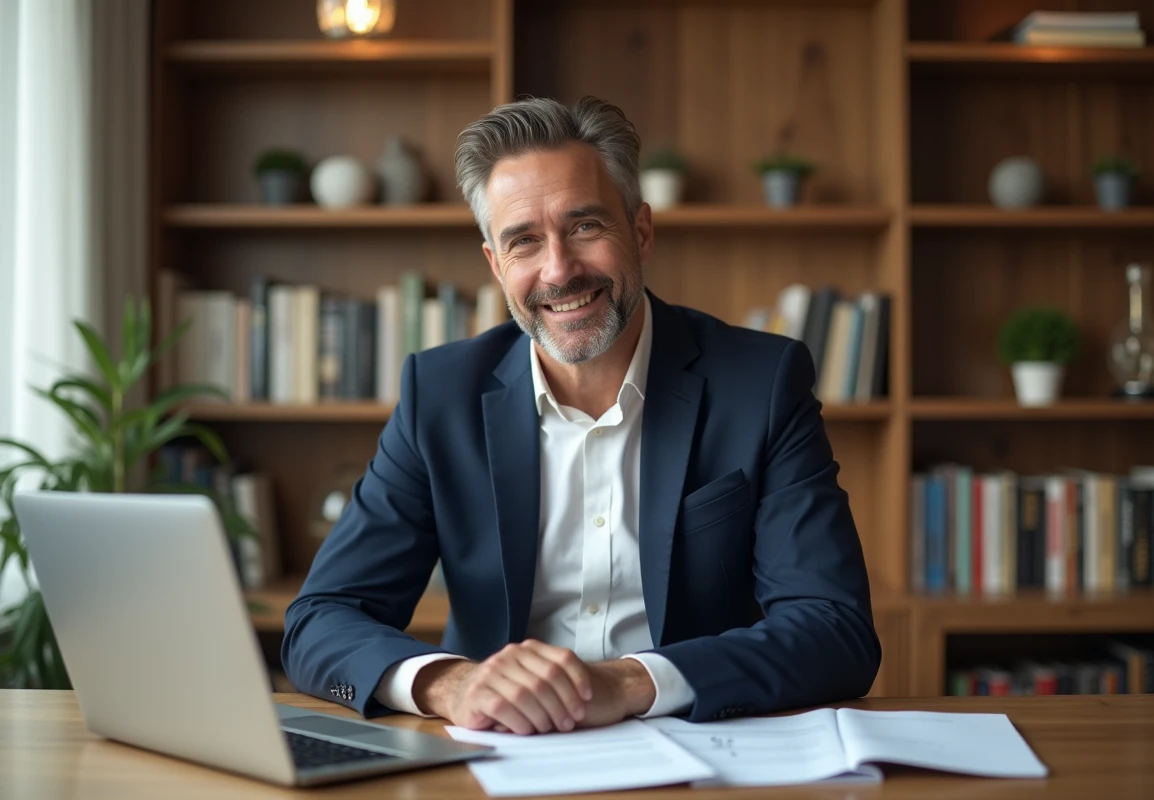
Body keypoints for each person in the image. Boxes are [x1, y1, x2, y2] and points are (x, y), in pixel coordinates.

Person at [281, 96, 880, 736]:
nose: (559, 270)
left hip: (699, 745)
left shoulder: (760, 383)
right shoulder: (440, 395)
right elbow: (321, 619)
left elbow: (833, 628)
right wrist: (451, 684)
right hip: (497, 751)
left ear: (641, 230)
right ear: (494, 262)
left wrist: (627, 682)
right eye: (524, 242)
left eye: (586, 226)